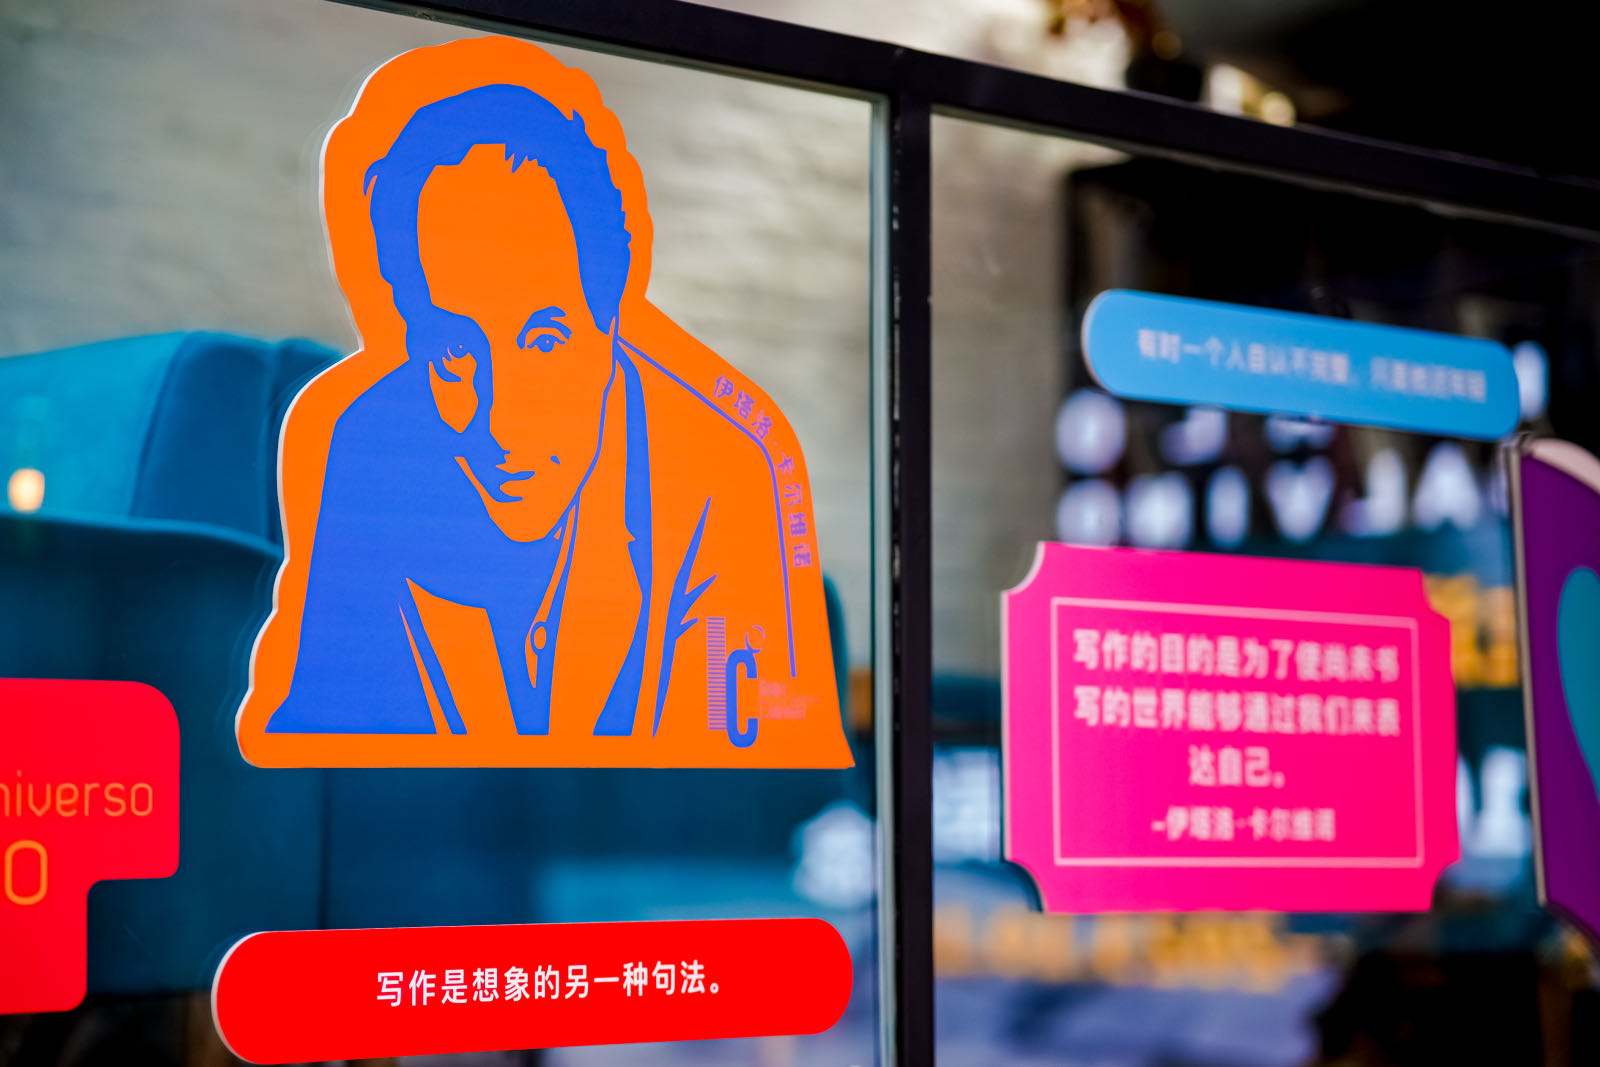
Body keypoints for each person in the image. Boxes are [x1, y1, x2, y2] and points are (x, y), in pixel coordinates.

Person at [237, 37, 849, 769]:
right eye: (453, 352)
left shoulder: (722, 469)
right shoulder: (373, 447)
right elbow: (320, 753)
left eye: (543, 342)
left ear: (609, 315)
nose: (497, 423)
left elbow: (761, 790)